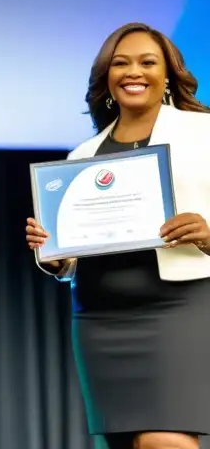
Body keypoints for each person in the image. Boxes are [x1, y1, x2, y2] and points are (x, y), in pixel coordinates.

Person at [26, 22, 210, 449]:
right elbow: (70, 258)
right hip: (99, 318)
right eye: (121, 63)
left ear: (168, 75)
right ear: (107, 77)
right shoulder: (81, 156)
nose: (134, 72)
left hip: (181, 310)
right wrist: (52, 255)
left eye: (148, 62)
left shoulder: (204, 132)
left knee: (166, 439)